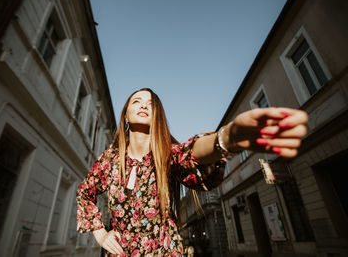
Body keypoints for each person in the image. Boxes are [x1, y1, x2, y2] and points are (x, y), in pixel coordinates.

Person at [77, 88, 308, 256]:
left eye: (151, 103)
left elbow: (191, 153)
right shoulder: (110, 159)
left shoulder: (166, 153)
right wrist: (101, 233)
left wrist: (225, 139)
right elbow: (85, 193)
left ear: (157, 115)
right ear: (126, 114)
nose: (144, 105)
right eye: (137, 101)